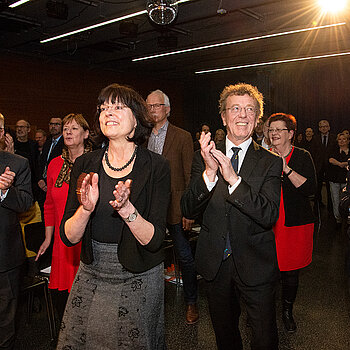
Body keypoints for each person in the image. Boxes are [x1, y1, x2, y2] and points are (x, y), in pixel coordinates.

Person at [56, 84, 170, 349]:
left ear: (136, 121)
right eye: (103, 108)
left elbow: (153, 241)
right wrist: (85, 209)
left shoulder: (156, 167)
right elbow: (69, 237)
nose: (108, 113)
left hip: (139, 272)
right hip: (92, 269)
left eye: (118, 107)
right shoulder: (85, 163)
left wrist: (127, 210)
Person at [181, 83, 282, 350]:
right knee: (225, 337)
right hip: (216, 263)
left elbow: (269, 213)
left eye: (250, 110)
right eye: (235, 109)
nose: (242, 115)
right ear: (223, 117)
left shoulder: (270, 161)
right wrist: (210, 174)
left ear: (257, 119)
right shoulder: (201, 158)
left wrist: (234, 180)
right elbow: (188, 209)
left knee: (264, 338)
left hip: (256, 264)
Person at [146, 89, 197, 324]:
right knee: (148, 255)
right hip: (149, 207)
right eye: (148, 106)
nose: (152, 110)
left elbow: (189, 176)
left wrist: (189, 210)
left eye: (156, 106)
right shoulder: (140, 136)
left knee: (184, 257)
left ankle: (191, 303)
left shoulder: (182, 136)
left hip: (176, 206)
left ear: (167, 109)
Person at [35, 113, 92, 320]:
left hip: (88, 240)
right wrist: (48, 238)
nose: (68, 132)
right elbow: (49, 205)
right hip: (61, 242)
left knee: (87, 299)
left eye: (74, 128)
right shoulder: (54, 164)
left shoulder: (95, 164)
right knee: (64, 304)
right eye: (66, 128)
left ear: (86, 134)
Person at [268, 113, 316, 333]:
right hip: (268, 223)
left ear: (290, 134)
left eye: (279, 130)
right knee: (266, 271)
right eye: (271, 130)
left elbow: (310, 189)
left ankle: (287, 312)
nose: (274, 133)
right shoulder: (263, 156)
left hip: (295, 223)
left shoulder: (302, 155)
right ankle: (261, 312)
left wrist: (284, 167)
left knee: (290, 272)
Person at [0, 113, 33, 350]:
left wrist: (3, 191)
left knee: (4, 324)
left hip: (5, 259)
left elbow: (25, 203)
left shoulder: (17, 163)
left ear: (2, 133)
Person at [37, 117, 64, 214]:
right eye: (51, 124)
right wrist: (40, 179)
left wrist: (49, 183)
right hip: (43, 185)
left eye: (57, 124)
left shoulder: (66, 143)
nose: (53, 126)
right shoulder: (47, 143)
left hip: (56, 185)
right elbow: (41, 164)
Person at [328, 133, 350, 227]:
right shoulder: (334, 150)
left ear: (348, 141)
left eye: (344, 139)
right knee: (335, 200)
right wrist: (340, 164)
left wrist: (344, 163)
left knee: (347, 201)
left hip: (347, 180)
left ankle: (347, 219)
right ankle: (338, 219)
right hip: (335, 179)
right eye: (339, 139)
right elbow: (330, 159)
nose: (341, 141)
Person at [317, 119, 337, 209]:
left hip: (331, 167)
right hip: (319, 167)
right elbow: (313, 153)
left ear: (329, 127)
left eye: (325, 126)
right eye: (321, 126)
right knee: (318, 188)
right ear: (319, 128)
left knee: (330, 189)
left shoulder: (334, 138)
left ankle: (330, 206)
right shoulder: (315, 138)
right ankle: (318, 205)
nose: (323, 128)